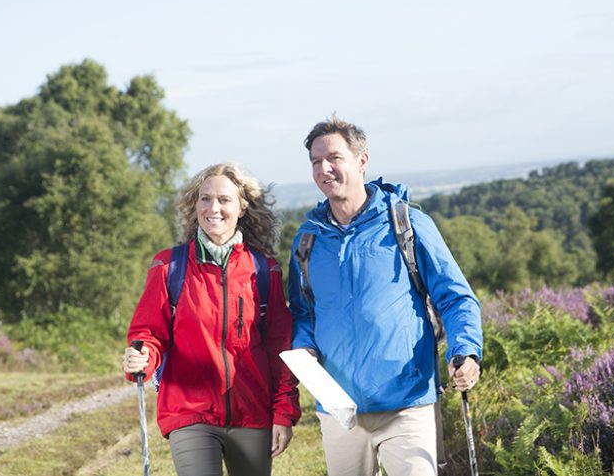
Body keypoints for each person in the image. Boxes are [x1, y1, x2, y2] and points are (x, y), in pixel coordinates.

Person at [288, 114, 483, 476]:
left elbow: (456, 299)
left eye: (334, 158)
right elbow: (302, 313)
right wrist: (304, 346)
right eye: (316, 161)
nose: (324, 169)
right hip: (338, 409)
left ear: (362, 161)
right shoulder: (307, 239)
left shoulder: (407, 225)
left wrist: (466, 350)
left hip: (406, 402)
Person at [123, 162, 300, 476]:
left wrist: (284, 413)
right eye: (204, 199)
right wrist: (143, 357)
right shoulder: (169, 267)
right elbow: (149, 332)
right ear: (194, 206)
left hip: (253, 414)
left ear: (242, 208)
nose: (213, 208)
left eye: (224, 200)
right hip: (190, 413)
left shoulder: (264, 270)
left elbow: (279, 348)